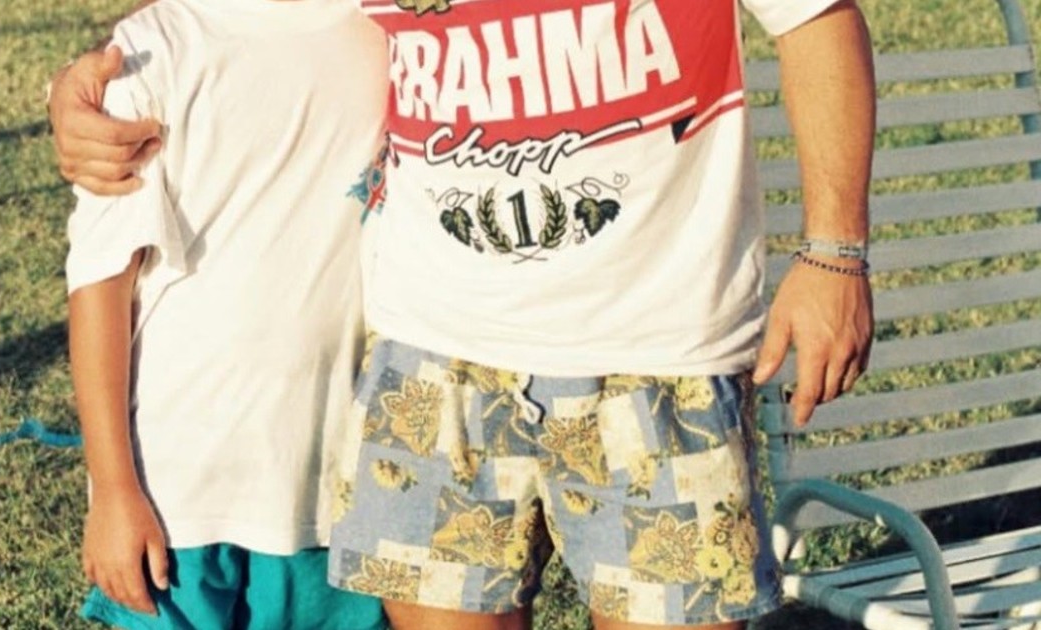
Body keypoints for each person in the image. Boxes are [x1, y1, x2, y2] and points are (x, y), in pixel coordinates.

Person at [50, 0, 875, 627]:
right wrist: (89, 89)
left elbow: (817, 17)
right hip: (434, 366)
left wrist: (835, 253)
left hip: (658, 358)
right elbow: (244, 28)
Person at [62, 0, 389, 627]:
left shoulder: (396, 32)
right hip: (177, 493)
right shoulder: (153, 48)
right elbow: (100, 280)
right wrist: (112, 488)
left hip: (333, 487)